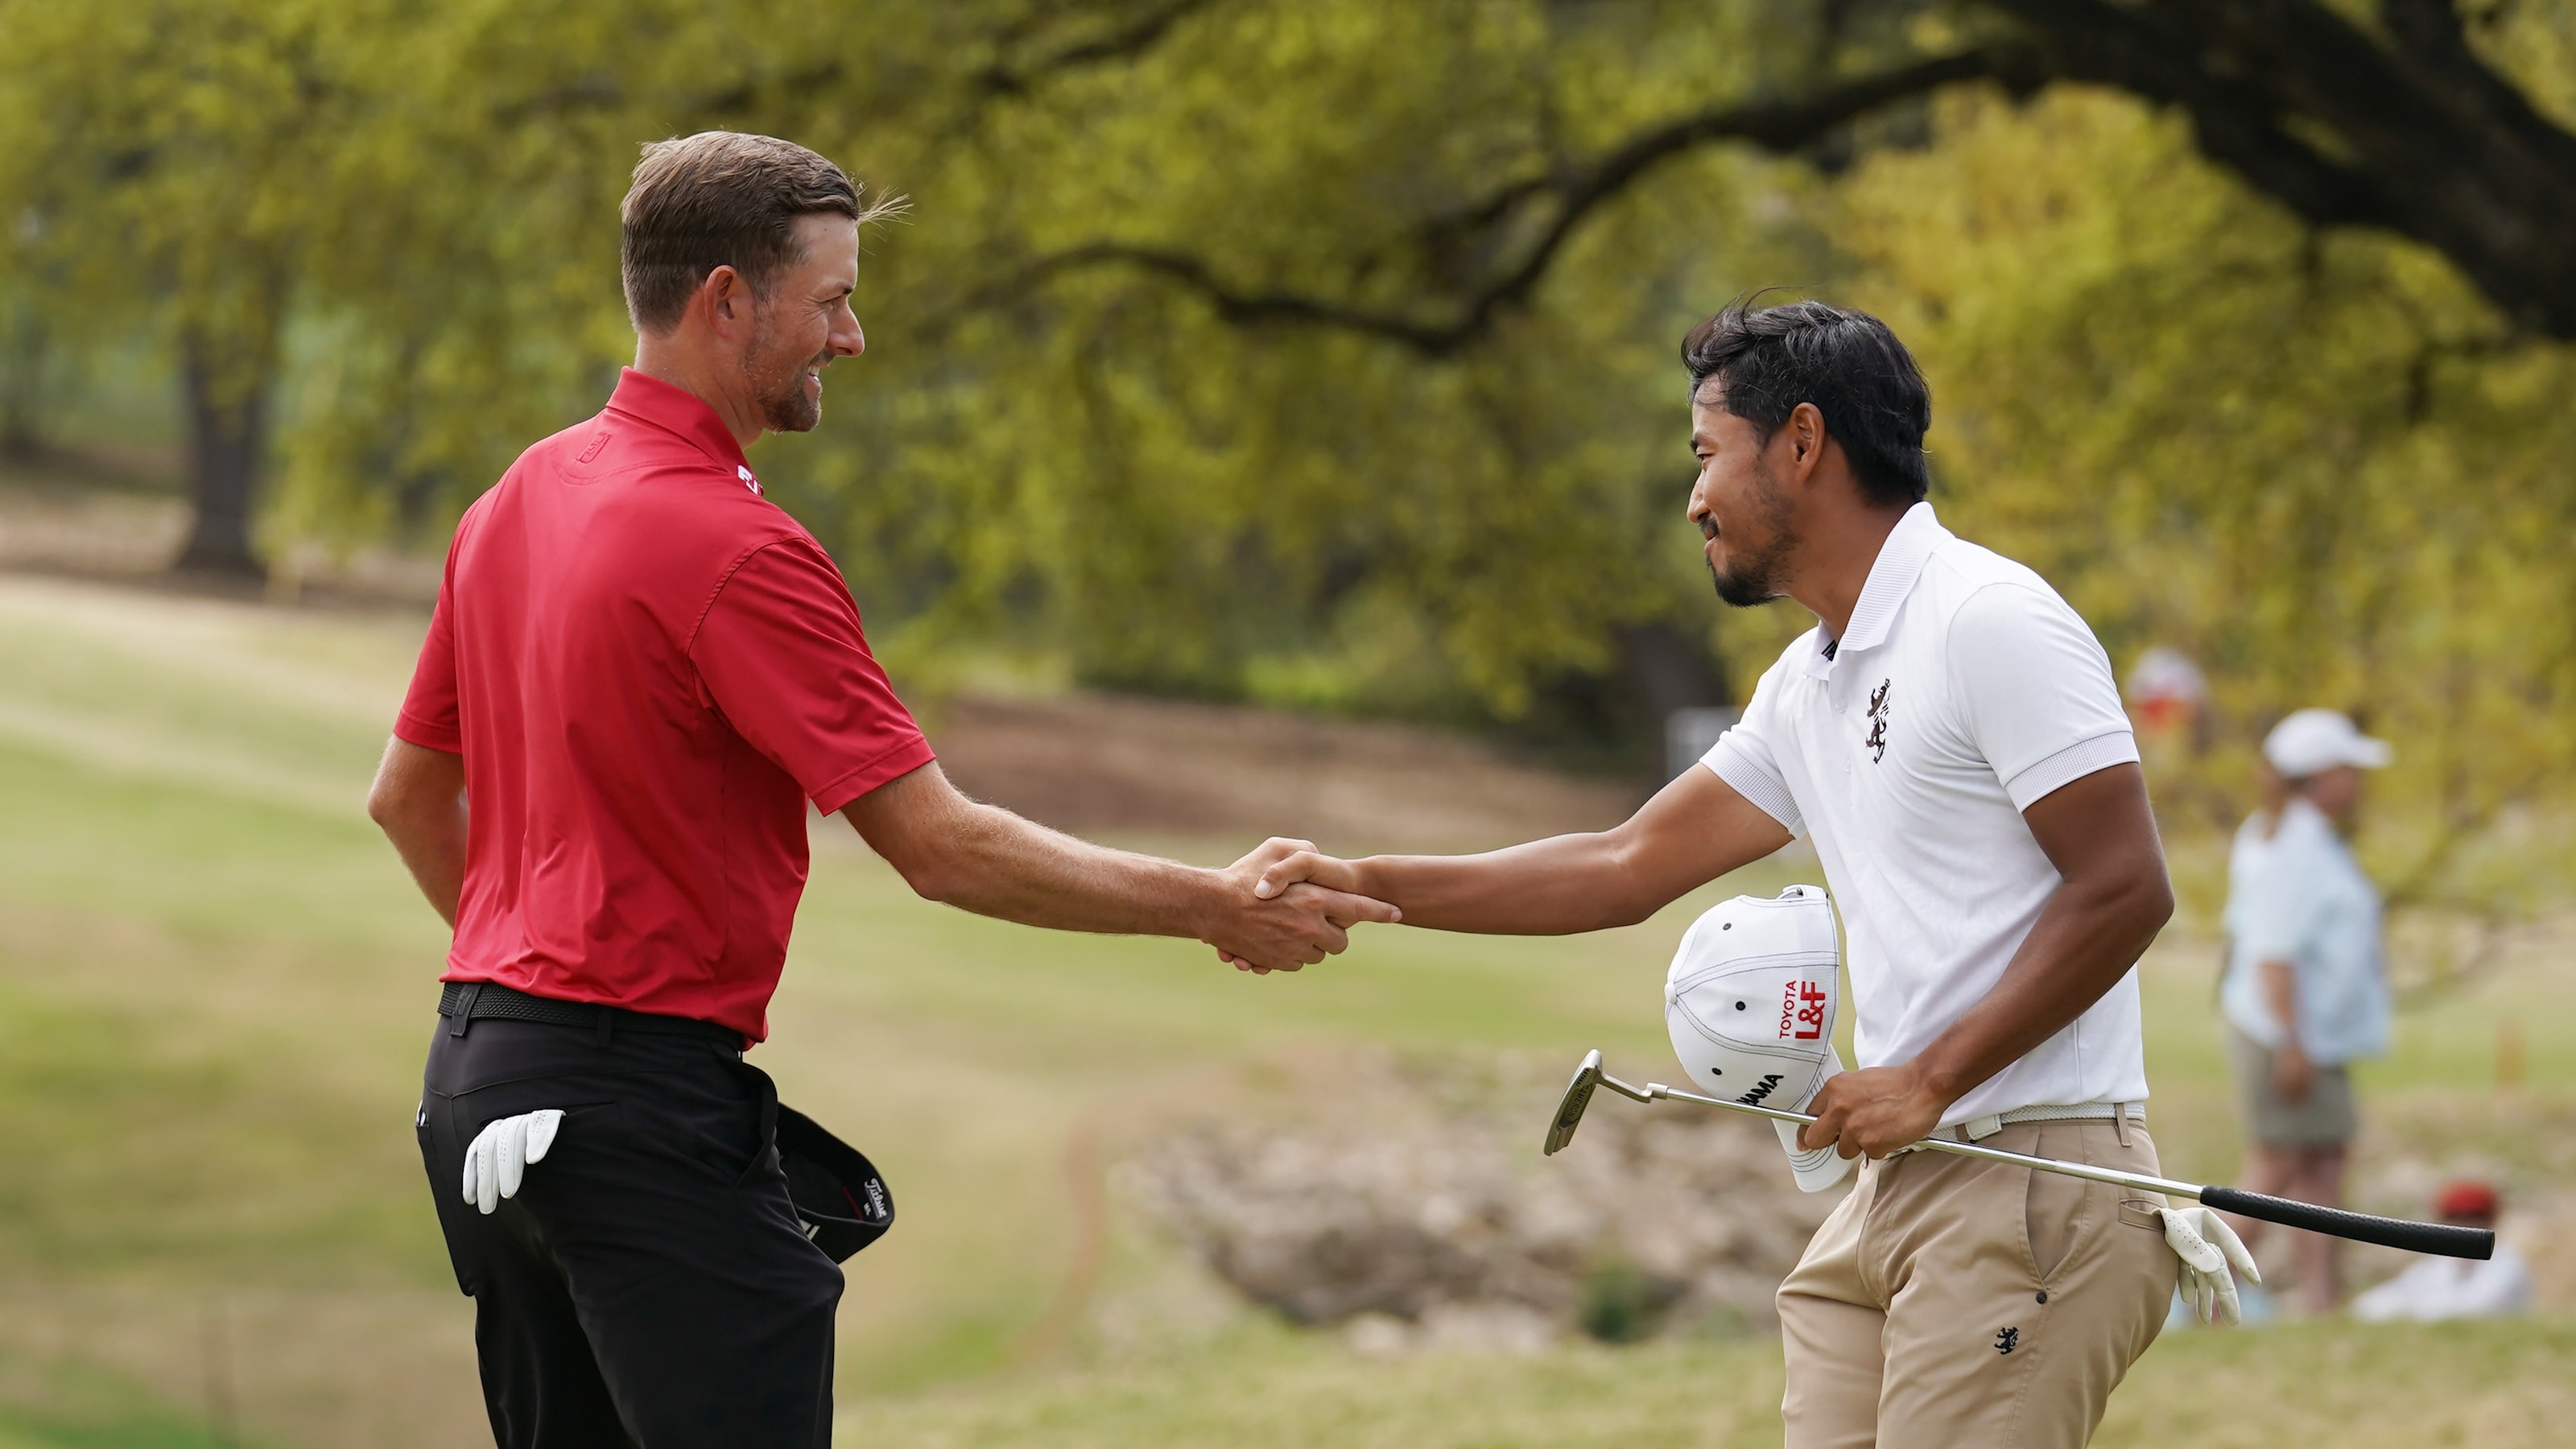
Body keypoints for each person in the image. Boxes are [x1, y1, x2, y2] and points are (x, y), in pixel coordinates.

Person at [363, 132, 1395, 1449]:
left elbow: (406, 801)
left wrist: (524, 1020)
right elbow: (939, 845)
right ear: (728, 300)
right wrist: (1213, 904)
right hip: (629, 1111)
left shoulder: (517, 496)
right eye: (833, 299)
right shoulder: (738, 548)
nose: (851, 336)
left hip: (478, 1085)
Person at [1254, 297, 2200, 1447]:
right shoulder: (1812, 684)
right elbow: (1624, 863)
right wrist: (1368, 881)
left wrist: (1929, 1077)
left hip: (2033, 1182)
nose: (1695, 497)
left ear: (1801, 443)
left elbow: (2125, 886)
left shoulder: (1988, 621)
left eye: (1708, 455)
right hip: (1906, 1187)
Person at [2218, 708, 2392, 1314]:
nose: (2360, 784)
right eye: (2350, 770)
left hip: (2312, 1035)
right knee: (2280, 1161)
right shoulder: (2294, 847)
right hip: (2286, 1032)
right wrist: (2292, 1044)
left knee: (2323, 1157)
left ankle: (2319, 1300)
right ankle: (2207, 1290)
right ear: (2320, 776)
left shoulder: (2297, 836)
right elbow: (2273, 956)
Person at [2350, 1180, 2532, 1322]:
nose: (2465, 1225)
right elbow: (2373, 1305)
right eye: (2455, 1217)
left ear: (2492, 1220)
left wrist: (2412, 1312)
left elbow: (2477, 1310)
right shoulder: (2434, 1266)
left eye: (2475, 1217)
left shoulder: (2508, 1266)